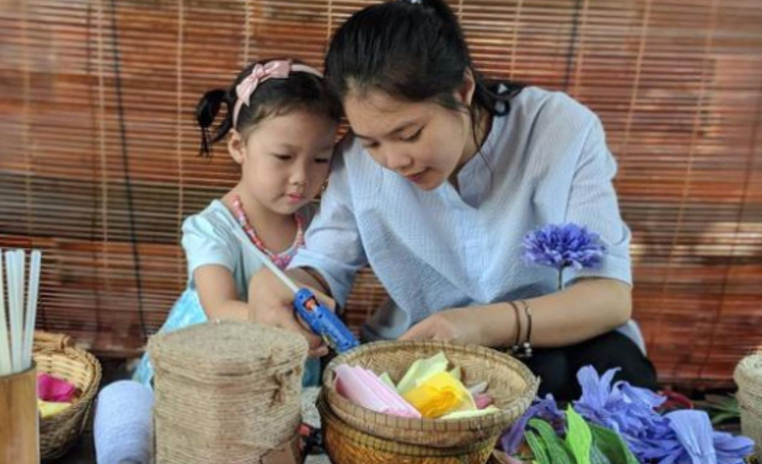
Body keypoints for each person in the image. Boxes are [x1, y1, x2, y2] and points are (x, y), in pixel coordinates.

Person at [248, 0, 657, 400]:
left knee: (607, 383)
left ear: (461, 90)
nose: (392, 161)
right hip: (427, 357)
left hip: (555, 341)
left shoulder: (558, 130)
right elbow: (323, 266)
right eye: (371, 141)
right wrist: (286, 286)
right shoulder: (355, 161)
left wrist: (483, 325)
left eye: (409, 134)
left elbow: (608, 297)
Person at [133, 58, 341, 387]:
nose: (302, 178)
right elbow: (219, 306)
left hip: (284, 369)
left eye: (320, 159)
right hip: (212, 363)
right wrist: (282, 323)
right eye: (283, 157)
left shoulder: (321, 225)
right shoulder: (213, 227)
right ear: (238, 146)